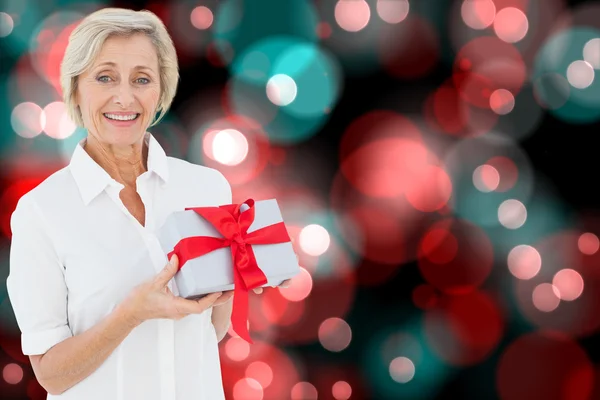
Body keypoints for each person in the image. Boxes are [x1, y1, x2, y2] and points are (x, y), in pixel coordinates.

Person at [6, 7, 288, 399]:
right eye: (105, 77)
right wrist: (131, 314)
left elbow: (211, 329)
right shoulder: (42, 212)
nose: (125, 97)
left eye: (142, 79)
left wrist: (240, 279)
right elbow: (51, 374)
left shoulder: (206, 186)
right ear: (75, 88)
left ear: (160, 91)